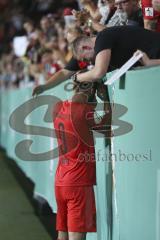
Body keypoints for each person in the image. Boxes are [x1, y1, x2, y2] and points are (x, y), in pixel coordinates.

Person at [53, 80, 111, 240]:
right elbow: (107, 128)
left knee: (62, 236)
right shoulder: (84, 111)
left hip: (60, 181)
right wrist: (105, 98)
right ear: (91, 89)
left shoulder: (58, 107)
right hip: (79, 184)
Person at [70, 25, 160, 83]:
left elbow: (99, 73)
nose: (89, 62)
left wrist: (76, 78)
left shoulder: (102, 38)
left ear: (85, 47)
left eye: (85, 59)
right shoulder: (104, 46)